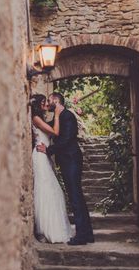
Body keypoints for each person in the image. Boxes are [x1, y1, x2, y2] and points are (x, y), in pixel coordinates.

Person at [36, 93, 95, 245]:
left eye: (49, 101)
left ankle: (82, 236)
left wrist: (49, 151)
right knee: (77, 196)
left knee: (75, 197)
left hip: (71, 160)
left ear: (56, 101)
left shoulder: (67, 116)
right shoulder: (59, 117)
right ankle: (87, 234)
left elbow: (66, 139)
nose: (48, 104)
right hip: (67, 160)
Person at [30, 94, 73, 243]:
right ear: (38, 105)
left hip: (45, 156)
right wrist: (56, 115)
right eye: (44, 102)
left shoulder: (40, 119)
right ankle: (44, 229)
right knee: (45, 188)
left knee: (53, 189)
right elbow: (55, 132)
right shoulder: (35, 118)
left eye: (47, 102)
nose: (47, 104)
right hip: (40, 156)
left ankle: (54, 227)